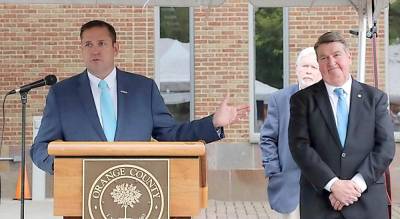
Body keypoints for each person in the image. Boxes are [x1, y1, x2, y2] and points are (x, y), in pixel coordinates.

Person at [30, 20, 249, 174]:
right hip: (82, 197)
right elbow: (40, 147)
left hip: (137, 191)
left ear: (116, 48)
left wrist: (213, 123)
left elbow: (171, 135)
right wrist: (60, 167)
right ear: (81, 49)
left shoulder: (143, 89)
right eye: (88, 44)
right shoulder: (62, 94)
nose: (95, 50)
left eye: (102, 44)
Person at [288, 31, 395, 219]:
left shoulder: (375, 98)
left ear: (349, 57)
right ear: (318, 63)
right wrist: (334, 185)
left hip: (367, 201)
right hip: (321, 201)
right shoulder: (302, 100)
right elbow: (300, 147)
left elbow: (385, 147)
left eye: (336, 55)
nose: (331, 62)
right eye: (323, 58)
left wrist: (355, 186)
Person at [259, 47, 321, 219]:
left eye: (313, 67)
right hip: (290, 186)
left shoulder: (330, 99)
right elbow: (267, 138)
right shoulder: (280, 99)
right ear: (296, 69)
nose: (308, 71)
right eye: (304, 66)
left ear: (321, 71)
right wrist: (274, 171)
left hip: (322, 188)